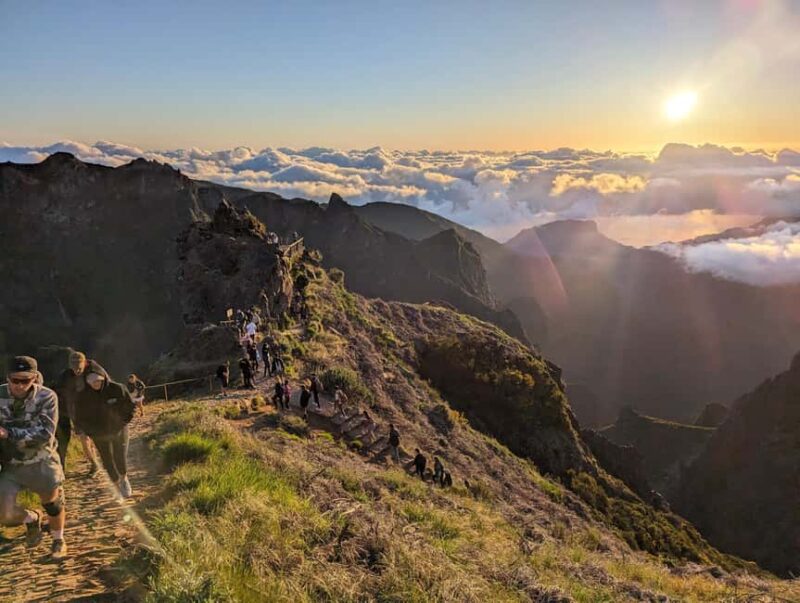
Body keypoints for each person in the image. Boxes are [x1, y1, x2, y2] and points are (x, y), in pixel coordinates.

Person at [0, 356, 69, 558]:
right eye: (15, 380)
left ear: (35, 378)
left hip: (41, 458)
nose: (20, 385)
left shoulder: (47, 397)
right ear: (8, 377)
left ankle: (58, 540)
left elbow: (45, 433)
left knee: (52, 503)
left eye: (26, 380)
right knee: (4, 514)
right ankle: (32, 518)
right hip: (11, 463)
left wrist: (8, 433)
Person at [73, 370, 136, 498]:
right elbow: (79, 416)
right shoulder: (83, 396)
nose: (95, 384)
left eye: (98, 381)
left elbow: (129, 406)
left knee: (120, 454)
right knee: (106, 457)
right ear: (87, 382)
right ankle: (116, 483)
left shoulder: (117, 388)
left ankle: (124, 479)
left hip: (118, 429)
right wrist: (90, 431)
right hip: (98, 433)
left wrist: (123, 421)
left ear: (103, 379)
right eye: (91, 382)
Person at [54, 351, 105, 473]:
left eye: (79, 367)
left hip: (94, 410)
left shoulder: (95, 370)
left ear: (85, 363)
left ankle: (102, 460)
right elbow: (57, 392)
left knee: (95, 438)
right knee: (85, 438)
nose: (77, 370)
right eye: (74, 367)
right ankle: (94, 463)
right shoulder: (65, 376)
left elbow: (106, 387)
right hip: (77, 412)